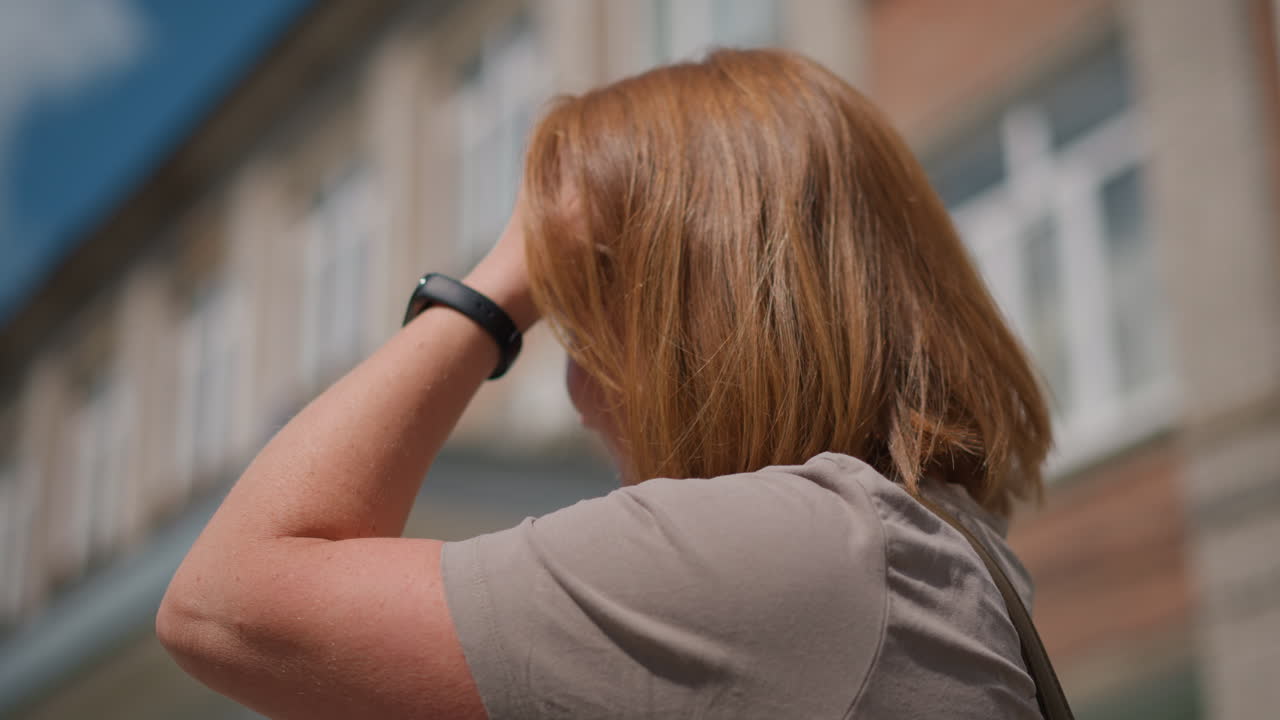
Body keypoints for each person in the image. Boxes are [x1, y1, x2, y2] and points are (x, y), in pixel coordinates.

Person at [157, 48, 1054, 719]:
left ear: (707, 318)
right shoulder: (915, 556)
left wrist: (491, 295)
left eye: (588, 329)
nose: (582, 395)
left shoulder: (804, 556)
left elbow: (225, 605)